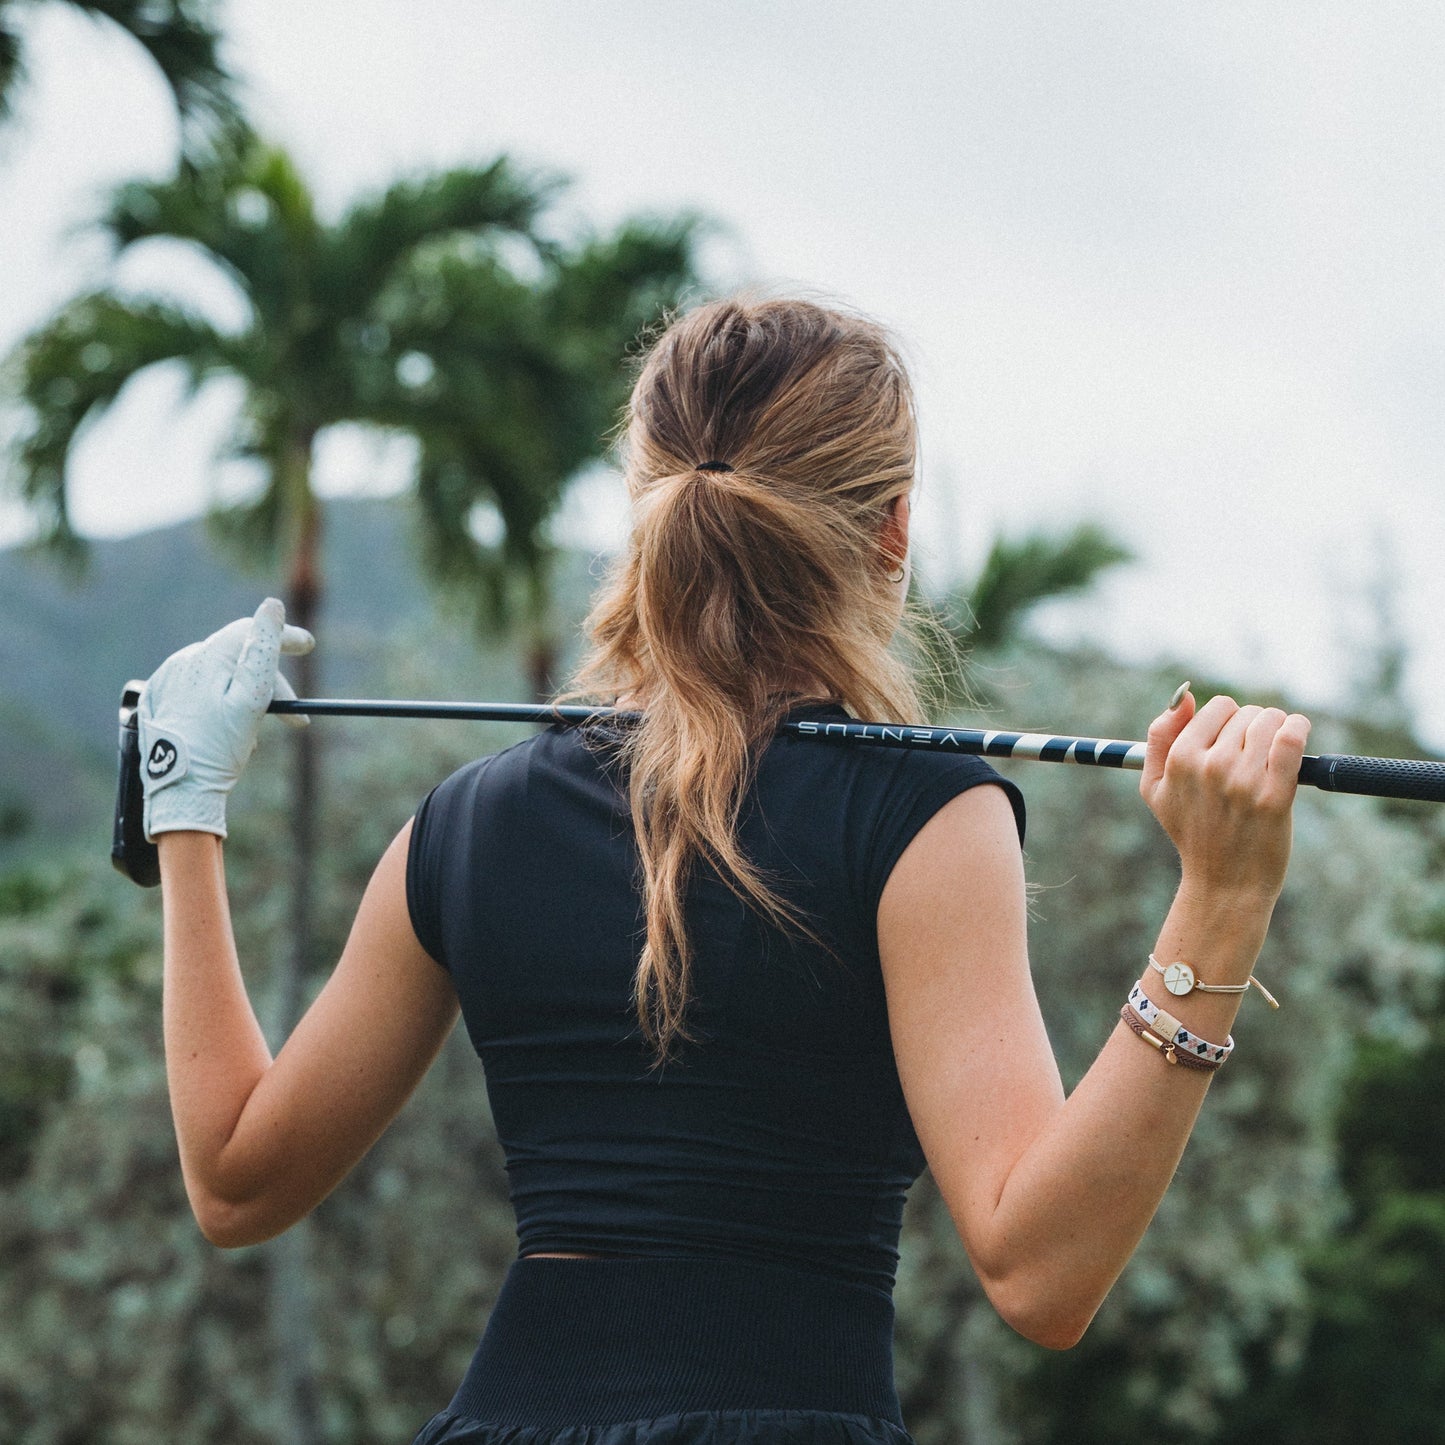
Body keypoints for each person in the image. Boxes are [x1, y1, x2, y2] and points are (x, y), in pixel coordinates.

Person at [137, 295, 1311, 1444]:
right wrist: (1219, 898)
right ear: (893, 530)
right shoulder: (923, 817)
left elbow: (236, 1179)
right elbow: (1038, 1272)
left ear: (640, 512)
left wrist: (187, 804)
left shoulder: (463, 823)